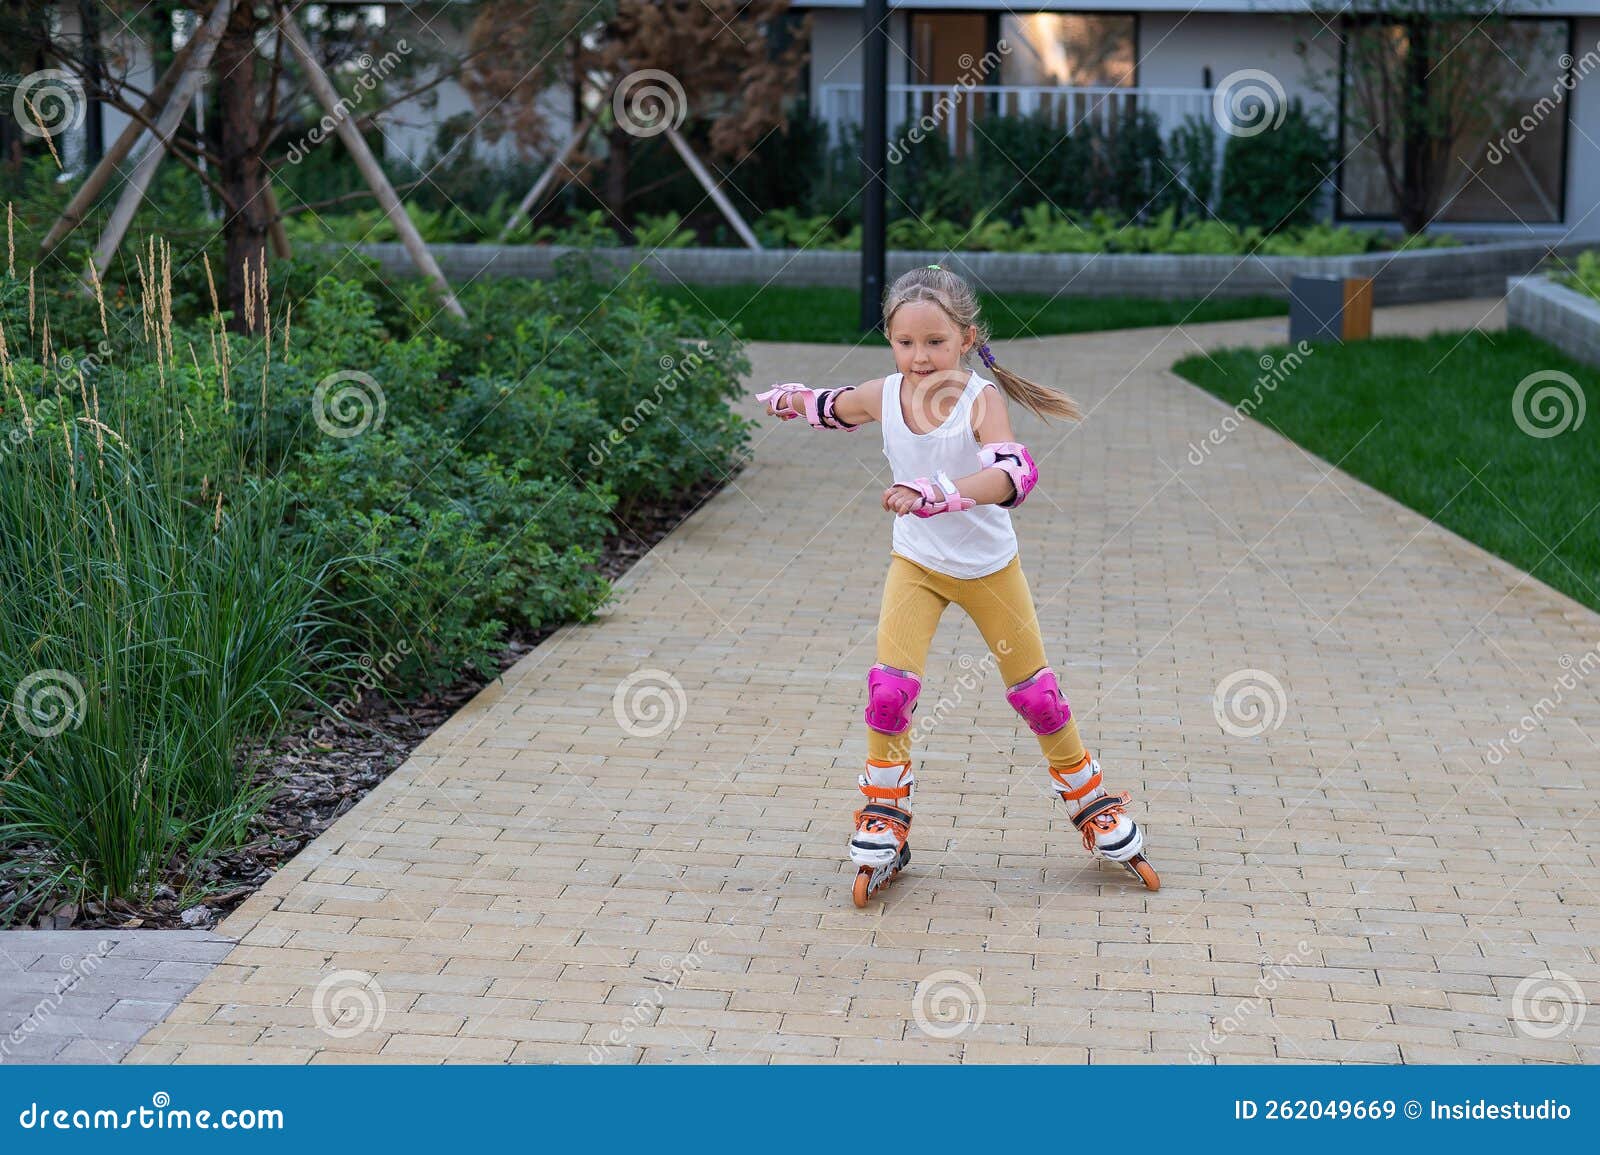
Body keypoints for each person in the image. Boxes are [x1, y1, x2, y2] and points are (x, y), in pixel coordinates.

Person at [755, 264, 1159, 896]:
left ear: (966, 339)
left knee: (1038, 698)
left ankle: (1092, 800)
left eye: (935, 342)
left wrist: (935, 494)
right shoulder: (883, 393)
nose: (919, 357)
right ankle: (886, 813)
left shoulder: (980, 400)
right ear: (889, 340)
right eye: (905, 342)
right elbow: (832, 407)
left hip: (989, 570)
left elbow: (1013, 475)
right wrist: (792, 400)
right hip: (916, 567)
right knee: (889, 693)